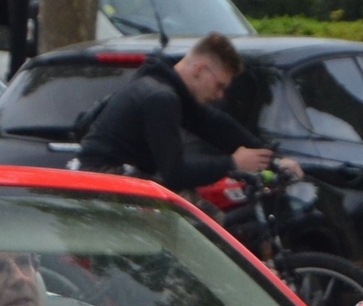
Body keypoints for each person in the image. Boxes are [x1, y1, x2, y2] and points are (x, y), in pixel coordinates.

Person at [76, 31, 291, 189]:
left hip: (107, 177)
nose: (220, 95)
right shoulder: (162, 99)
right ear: (199, 69)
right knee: (203, 227)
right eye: (219, 86)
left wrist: (274, 160)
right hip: (104, 182)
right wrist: (233, 163)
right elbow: (175, 174)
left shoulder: (167, 87)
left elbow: (214, 125)